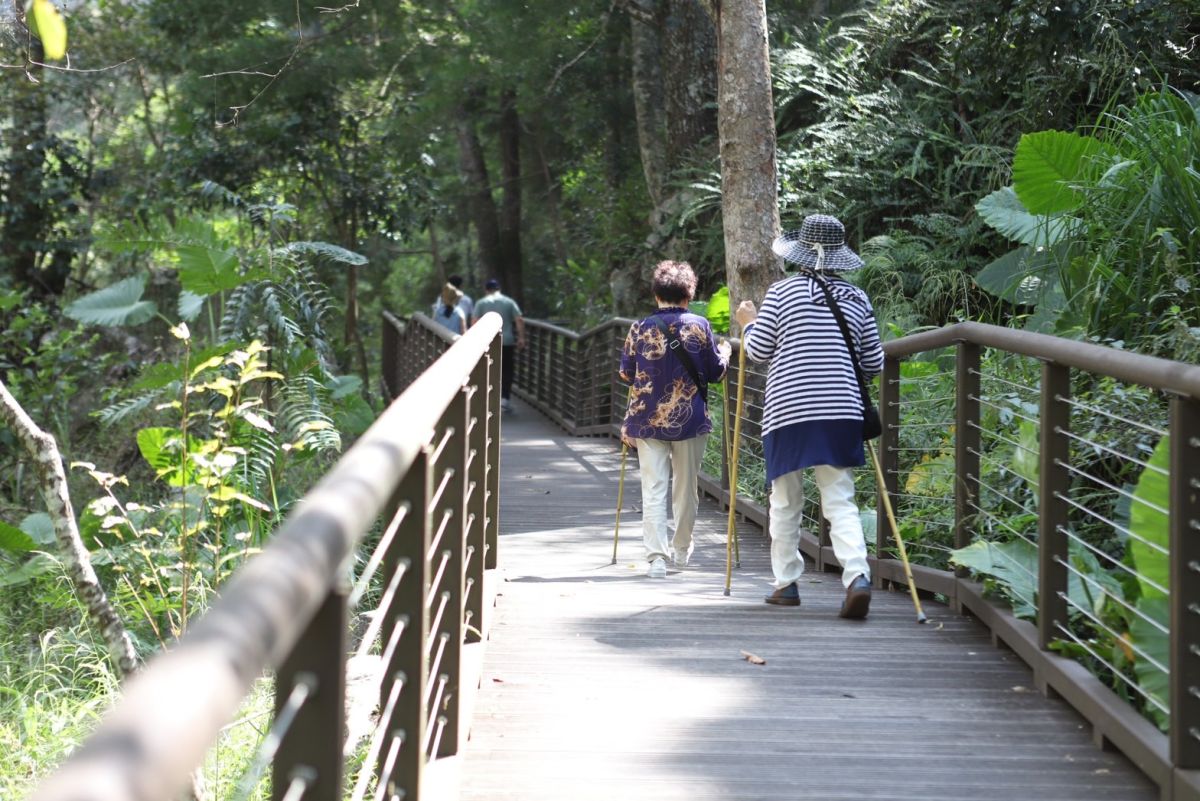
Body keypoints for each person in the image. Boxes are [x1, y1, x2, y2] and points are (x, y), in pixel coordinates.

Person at [733, 214, 883, 618]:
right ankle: (857, 577)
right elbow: (873, 361)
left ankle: (786, 584)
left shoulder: (781, 294)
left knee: (785, 500)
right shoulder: (858, 299)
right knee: (840, 498)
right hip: (841, 409)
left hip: (789, 410)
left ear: (800, 253)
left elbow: (759, 350)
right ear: (839, 256)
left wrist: (747, 323)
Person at [619, 261, 730, 579]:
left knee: (653, 488)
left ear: (656, 295)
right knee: (686, 488)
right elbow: (715, 372)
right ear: (688, 296)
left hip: (647, 420)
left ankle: (656, 559)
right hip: (691, 420)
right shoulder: (699, 325)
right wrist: (725, 353)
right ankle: (681, 551)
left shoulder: (640, 327)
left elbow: (626, 373)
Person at [472, 279, 525, 412]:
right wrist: (521, 337)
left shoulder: (481, 303)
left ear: (486, 290)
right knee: (507, 370)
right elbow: (519, 319)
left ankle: (488, 399)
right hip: (506, 341)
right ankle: (504, 399)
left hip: (486, 342)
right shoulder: (509, 302)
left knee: (487, 370)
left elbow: (474, 322)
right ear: (499, 289)